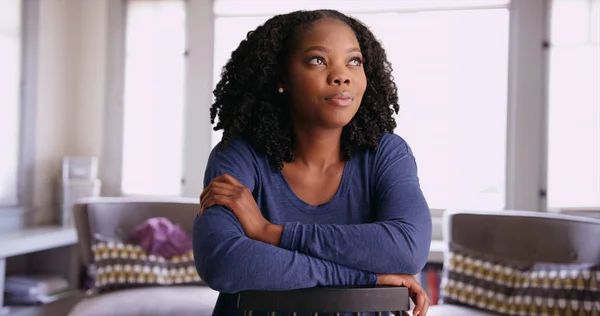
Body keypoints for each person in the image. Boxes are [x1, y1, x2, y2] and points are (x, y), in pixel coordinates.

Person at [193, 9, 433, 316]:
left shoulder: (386, 154)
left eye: (354, 61)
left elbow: (407, 248)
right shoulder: (239, 156)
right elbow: (224, 263)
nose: (341, 75)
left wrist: (269, 232)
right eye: (317, 60)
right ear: (281, 77)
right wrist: (366, 277)